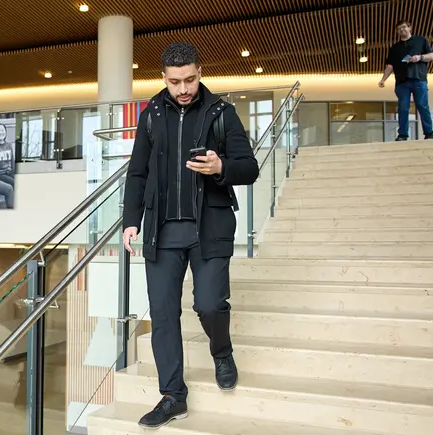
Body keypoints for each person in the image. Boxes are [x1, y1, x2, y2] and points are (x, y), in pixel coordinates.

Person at [122, 42, 259, 429]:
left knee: (210, 304)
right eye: (174, 81)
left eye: (190, 79)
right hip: (162, 230)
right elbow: (137, 172)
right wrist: (131, 220)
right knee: (164, 315)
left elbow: (249, 167)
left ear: (201, 72)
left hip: (209, 228)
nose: (183, 88)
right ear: (163, 78)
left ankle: (222, 351)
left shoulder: (222, 113)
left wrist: (220, 167)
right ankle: (173, 396)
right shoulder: (151, 116)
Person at [379, 19, 433, 141]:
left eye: (404, 27)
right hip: (401, 81)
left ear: (409, 28)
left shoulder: (421, 41)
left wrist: (420, 57)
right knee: (403, 107)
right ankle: (403, 134)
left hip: (418, 78)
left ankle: (429, 133)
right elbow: (390, 65)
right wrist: (383, 79)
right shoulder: (395, 48)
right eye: (399, 28)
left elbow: (431, 56)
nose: (402, 30)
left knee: (422, 105)